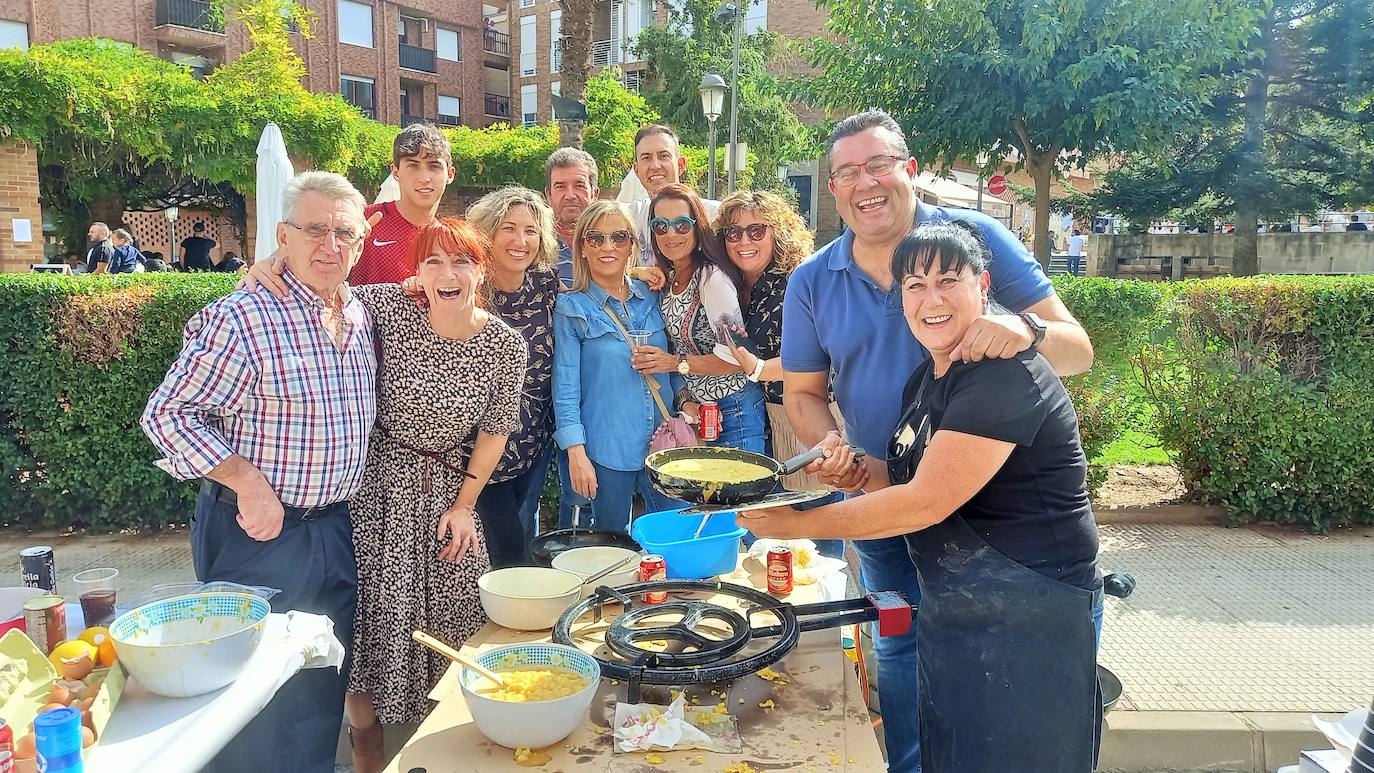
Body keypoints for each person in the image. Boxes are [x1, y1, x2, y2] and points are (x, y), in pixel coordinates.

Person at [780, 109, 1093, 773]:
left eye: (878, 164)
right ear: (832, 188)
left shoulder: (972, 236)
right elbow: (803, 393)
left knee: (1005, 672)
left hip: (993, 513)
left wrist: (1026, 330)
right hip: (883, 491)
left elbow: (1078, 349)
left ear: (909, 170)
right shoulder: (811, 279)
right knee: (901, 645)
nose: (865, 182)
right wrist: (828, 444)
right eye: (847, 171)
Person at [140, 171, 378, 773]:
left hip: (334, 530)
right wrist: (247, 481)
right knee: (253, 701)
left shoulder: (357, 311)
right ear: (283, 236)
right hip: (259, 537)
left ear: (361, 240)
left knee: (321, 683)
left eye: (344, 233)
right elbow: (168, 415)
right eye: (314, 229)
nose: (330, 245)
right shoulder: (243, 317)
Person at [345, 217, 526, 772]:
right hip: (380, 484)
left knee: (464, 609)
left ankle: (452, 741)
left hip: (450, 484)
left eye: (462, 261)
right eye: (433, 261)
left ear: (482, 269)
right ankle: (365, 740)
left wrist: (466, 506)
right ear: (416, 271)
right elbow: (320, 285)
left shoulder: (504, 345)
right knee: (374, 612)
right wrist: (270, 263)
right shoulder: (387, 310)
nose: (448, 273)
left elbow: (495, 431)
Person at [552, 200, 688, 532]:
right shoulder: (572, 308)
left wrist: (686, 402)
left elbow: (677, 356)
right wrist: (576, 454)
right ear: (582, 247)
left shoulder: (655, 294)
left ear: (632, 245)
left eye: (619, 237)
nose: (607, 247)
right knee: (608, 548)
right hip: (605, 449)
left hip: (663, 445)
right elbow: (565, 389)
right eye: (595, 238)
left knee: (672, 536)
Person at [463, 186, 562, 567]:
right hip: (477, 449)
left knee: (519, 533)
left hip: (532, 446)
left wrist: (639, 272)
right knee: (505, 550)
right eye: (508, 228)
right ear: (487, 232)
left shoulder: (546, 286)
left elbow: (597, 288)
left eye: (531, 230)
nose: (520, 241)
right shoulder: (467, 289)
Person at [634, 183, 766, 454]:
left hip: (734, 410)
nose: (671, 234)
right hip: (700, 413)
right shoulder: (670, 277)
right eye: (661, 226)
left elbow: (736, 358)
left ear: (697, 226)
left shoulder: (710, 278)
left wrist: (673, 363)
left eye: (682, 225)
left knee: (735, 495)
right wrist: (637, 272)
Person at [351, 123, 457, 285]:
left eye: (434, 166)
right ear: (396, 172)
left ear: (450, 175)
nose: (424, 178)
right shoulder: (363, 221)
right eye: (413, 166)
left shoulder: (450, 240)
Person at [626, 125, 719, 266]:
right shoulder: (630, 217)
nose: (655, 165)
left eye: (664, 156)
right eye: (646, 158)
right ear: (637, 170)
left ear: (681, 165)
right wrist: (635, 272)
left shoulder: (714, 215)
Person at [545, 147, 601, 285]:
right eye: (560, 187)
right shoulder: (533, 244)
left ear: (595, 194)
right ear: (549, 195)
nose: (570, 195)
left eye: (579, 185)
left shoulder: (613, 241)